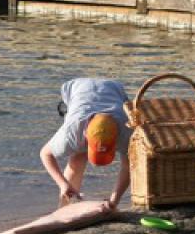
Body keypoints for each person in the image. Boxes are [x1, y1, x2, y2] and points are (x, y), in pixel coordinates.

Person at [39, 77, 132, 210]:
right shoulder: (72, 133)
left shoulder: (127, 132)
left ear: (116, 139)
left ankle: (70, 201)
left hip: (114, 89)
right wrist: (63, 184)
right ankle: (65, 206)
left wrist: (114, 201)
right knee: (78, 156)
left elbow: (128, 167)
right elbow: (45, 154)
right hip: (78, 88)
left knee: (127, 158)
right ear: (86, 137)